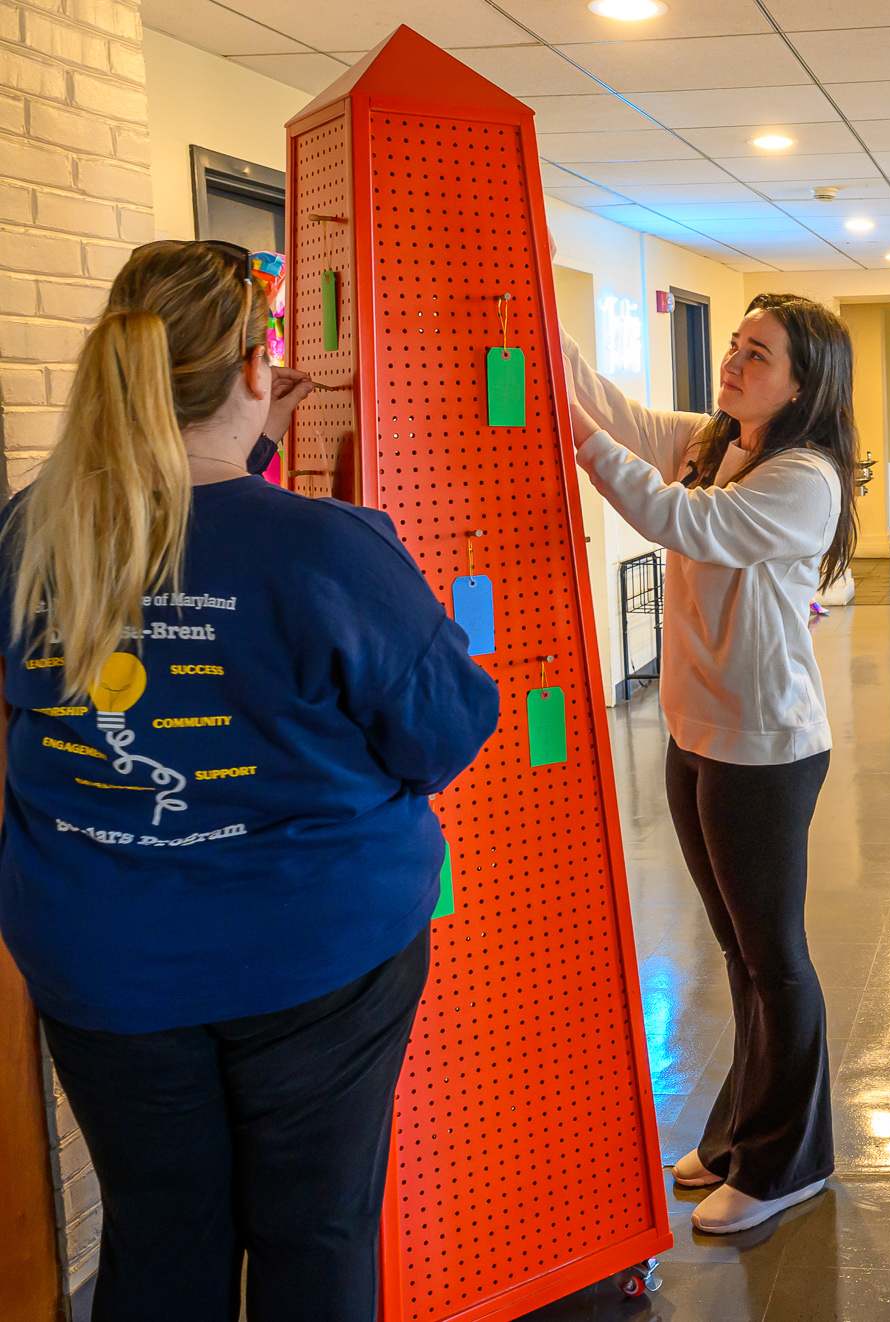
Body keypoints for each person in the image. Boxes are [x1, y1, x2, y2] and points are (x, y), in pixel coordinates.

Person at [0, 240, 500, 1320]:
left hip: (104, 960)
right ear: (256, 369)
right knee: (314, 1234)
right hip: (317, 952)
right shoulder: (331, 548)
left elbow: (181, 539)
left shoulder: (31, 530)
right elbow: (447, 731)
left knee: (160, 1235)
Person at [558, 289, 855, 1235]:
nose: (733, 363)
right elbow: (617, 407)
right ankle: (737, 1133)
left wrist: (574, 437)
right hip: (698, 736)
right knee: (737, 952)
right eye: (734, 346)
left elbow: (684, 523)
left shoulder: (804, 477)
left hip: (766, 746)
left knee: (776, 960)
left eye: (757, 354)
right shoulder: (712, 438)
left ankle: (790, 1162)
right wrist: (522, 310)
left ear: (803, 385)